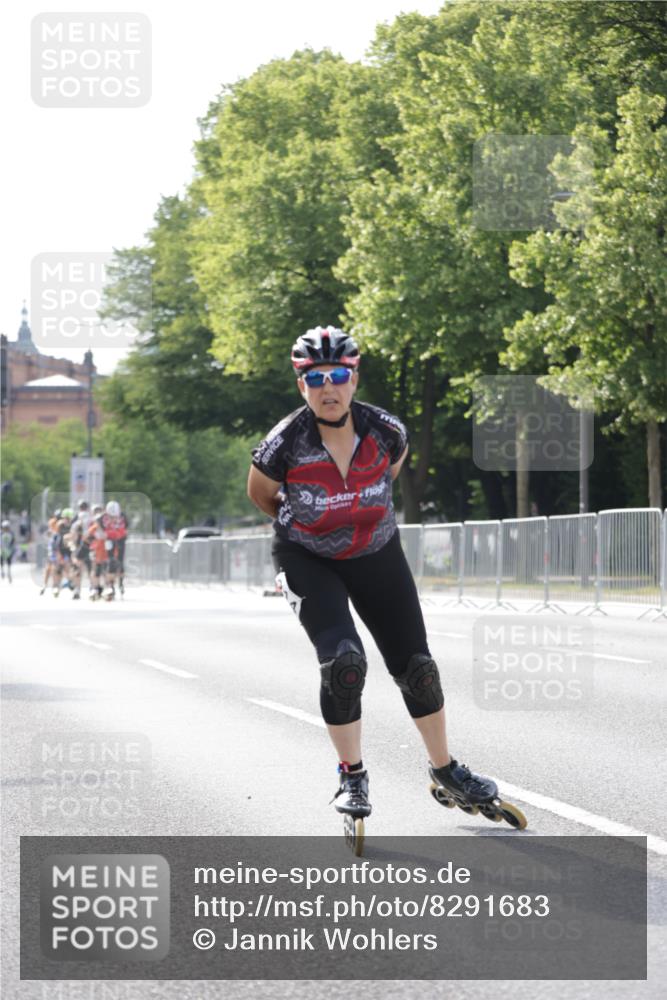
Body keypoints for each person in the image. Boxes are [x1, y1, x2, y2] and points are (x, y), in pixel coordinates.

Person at [247, 325, 501, 826]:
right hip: (307, 556)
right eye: (315, 378)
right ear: (301, 385)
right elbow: (261, 494)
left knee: (417, 667)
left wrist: (355, 516)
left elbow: (388, 474)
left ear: (355, 379)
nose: (328, 388)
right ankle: (352, 775)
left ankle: (445, 769)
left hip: (376, 551)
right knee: (344, 663)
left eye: (338, 376)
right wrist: (311, 524)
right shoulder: (282, 443)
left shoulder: (387, 431)